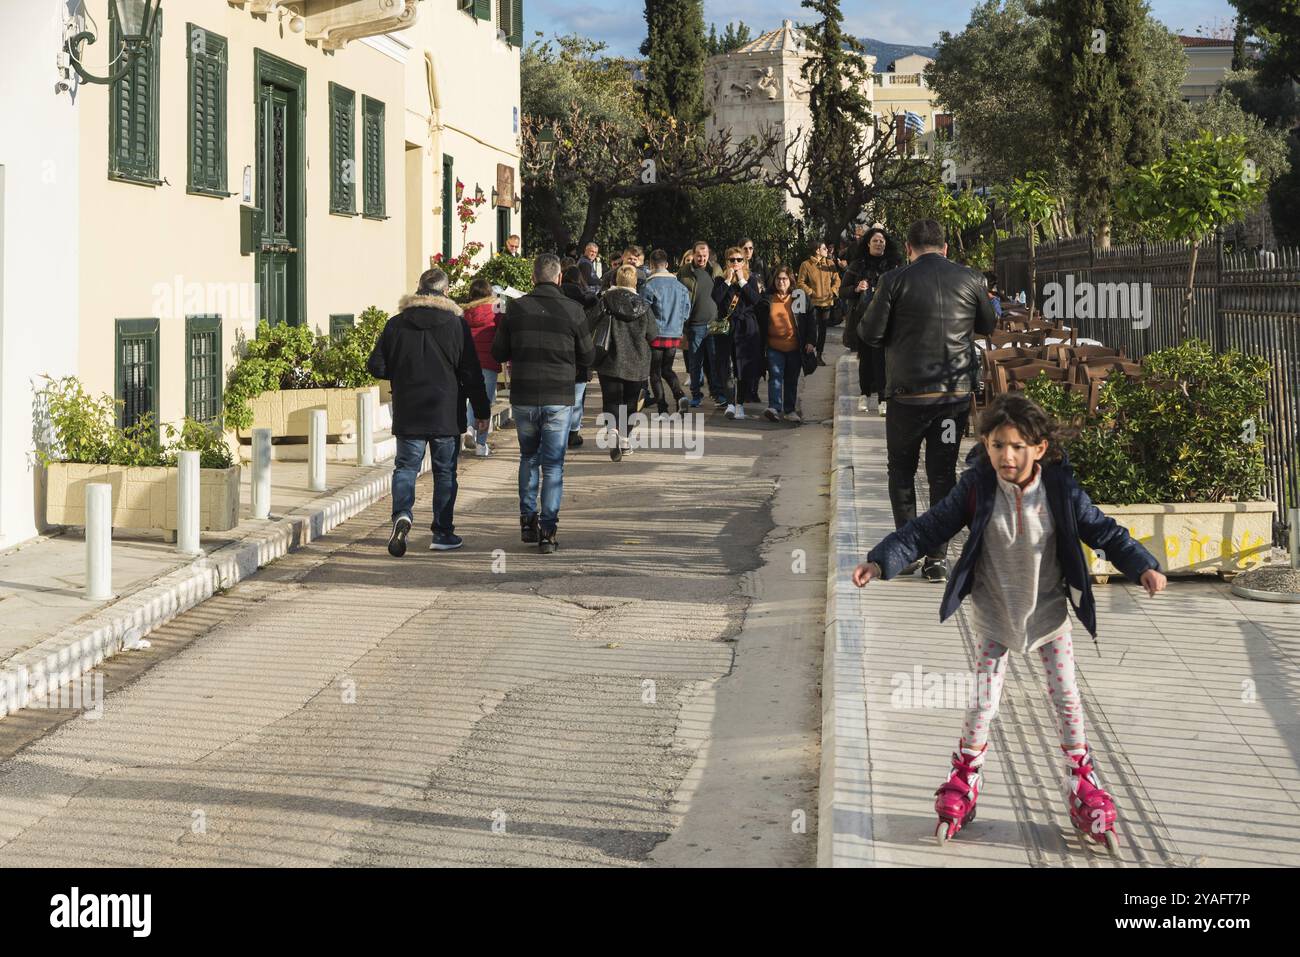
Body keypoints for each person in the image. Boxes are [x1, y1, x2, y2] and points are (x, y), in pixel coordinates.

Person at [851, 392, 1166, 848]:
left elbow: (1104, 530)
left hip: (1049, 615)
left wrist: (1143, 565)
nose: (1007, 456)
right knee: (983, 702)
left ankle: (1081, 777)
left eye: (1018, 446)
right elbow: (928, 528)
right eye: (998, 445)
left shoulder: (1060, 490)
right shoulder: (977, 487)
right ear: (985, 445)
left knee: (1067, 699)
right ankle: (965, 775)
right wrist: (881, 562)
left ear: (1039, 448)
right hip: (996, 615)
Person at [858, 218, 998, 582]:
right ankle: (937, 558)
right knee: (942, 475)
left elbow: (869, 333)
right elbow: (988, 324)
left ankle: (907, 552)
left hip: (907, 397)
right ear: (946, 247)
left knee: (901, 471)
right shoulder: (970, 279)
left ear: (908, 248)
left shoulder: (893, 281)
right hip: (951, 396)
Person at [367, 267, 490, 556]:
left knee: (406, 467)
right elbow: (471, 373)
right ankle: (442, 532)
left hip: (409, 409)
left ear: (419, 289)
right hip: (445, 412)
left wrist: (402, 369)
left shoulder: (395, 324)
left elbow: (376, 366)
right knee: (445, 472)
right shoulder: (456, 325)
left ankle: (402, 514)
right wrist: (482, 411)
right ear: (446, 292)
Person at [491, 254, 595, 554]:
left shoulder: (516, 308)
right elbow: (588, 356)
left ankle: (527, 518)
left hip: (524, 396)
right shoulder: (573, 310)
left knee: (528, 458)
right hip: (558, 398)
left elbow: (499, 352)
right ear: (559, 277)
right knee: (553, 466)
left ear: (533, 278)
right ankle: (548, 530)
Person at [590, 264, 657, 461]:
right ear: (635, 282)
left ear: (616, 280)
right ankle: (626, 441)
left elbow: (589, 323)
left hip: (609, 360)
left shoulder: (604, 301)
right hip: (636, 362)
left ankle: (612, 432)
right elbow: (653, 335)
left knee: (611, 400)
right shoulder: (644, 306)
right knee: (630, 403)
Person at [843, 226, 902, 415]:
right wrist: (856, 288)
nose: (879, 243)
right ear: (868, 243)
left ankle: (883, 399)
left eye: (882, 241)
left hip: (886, 321)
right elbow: (841, 291)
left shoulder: (894, 266)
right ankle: (864, 395)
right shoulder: (857, 265)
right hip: (863, 320)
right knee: (865, 360)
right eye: (875, 240)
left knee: (882, 361)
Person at [757, 265, 816, 423]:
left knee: (791, 378)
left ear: (790, 280)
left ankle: (790, 410)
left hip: (795, 346)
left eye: (784, 279)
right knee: (775, 376)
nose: (781, 282)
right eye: (778, 278)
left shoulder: (798, 296)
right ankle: (774, 408)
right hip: (773, 346)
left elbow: (810, 320)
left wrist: (811, 341)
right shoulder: (767, 298)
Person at [711, 245, 763, 420]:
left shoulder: (751, 280)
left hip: (745, 328)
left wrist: (742, 281)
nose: (735, 263)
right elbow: (716, 299)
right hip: (726, 329)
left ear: (745, 261)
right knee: (724, 366)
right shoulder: (720, 280)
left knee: (742, 366)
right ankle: (730, 404)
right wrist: (728, 280)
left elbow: (756, 300)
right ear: (726, 261)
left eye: (739, 260)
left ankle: (740, 403)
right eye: (732, 260)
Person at [642, 248, 692, 414]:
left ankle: (663, 409)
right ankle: (680, 396)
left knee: (655, 373)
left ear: (651, 264)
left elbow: (643, 311)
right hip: (674, 334)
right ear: (667, 264)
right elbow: (687, 311)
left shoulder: (649, 286)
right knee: (667, 369)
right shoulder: (680, 286)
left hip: (656, 335)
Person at [678, 241, 723, 407]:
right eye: (699, 256)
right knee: (695, 362)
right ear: (694, 254)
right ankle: (696, 395)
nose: (702, 259)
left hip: (714, 323)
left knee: (715, 361)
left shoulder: (716, 269)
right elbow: (679, 297)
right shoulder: (684, 272)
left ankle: (717, 393)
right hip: (694, 323)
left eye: (705, 256)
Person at [461, 277, 502, 458]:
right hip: (489, 362)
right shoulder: (496, 310)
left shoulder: (463, 313)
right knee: (484, 403)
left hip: (468, 362)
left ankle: (469, 428)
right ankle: (480, 445)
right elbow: (503, 333)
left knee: (472, 398)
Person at [560, 265, 598, 448]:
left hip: (560, 352)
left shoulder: (557, 296)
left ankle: (561, 430)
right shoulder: (583, 299)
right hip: (579, 352)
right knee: (576, 397)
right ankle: (573, 433)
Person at [796, 240, 842, 366]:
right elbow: (800, 283)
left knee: (823, 330)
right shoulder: (806, 265)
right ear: (817, 250)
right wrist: (811, 292)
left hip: (827, 302)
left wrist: (833, 291)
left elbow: (837, 280)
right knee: (811, 329)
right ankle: (807, 354)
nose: (827, 250)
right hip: (812, 303)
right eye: (824, 248)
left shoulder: (830, 263)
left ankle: (819, 355)